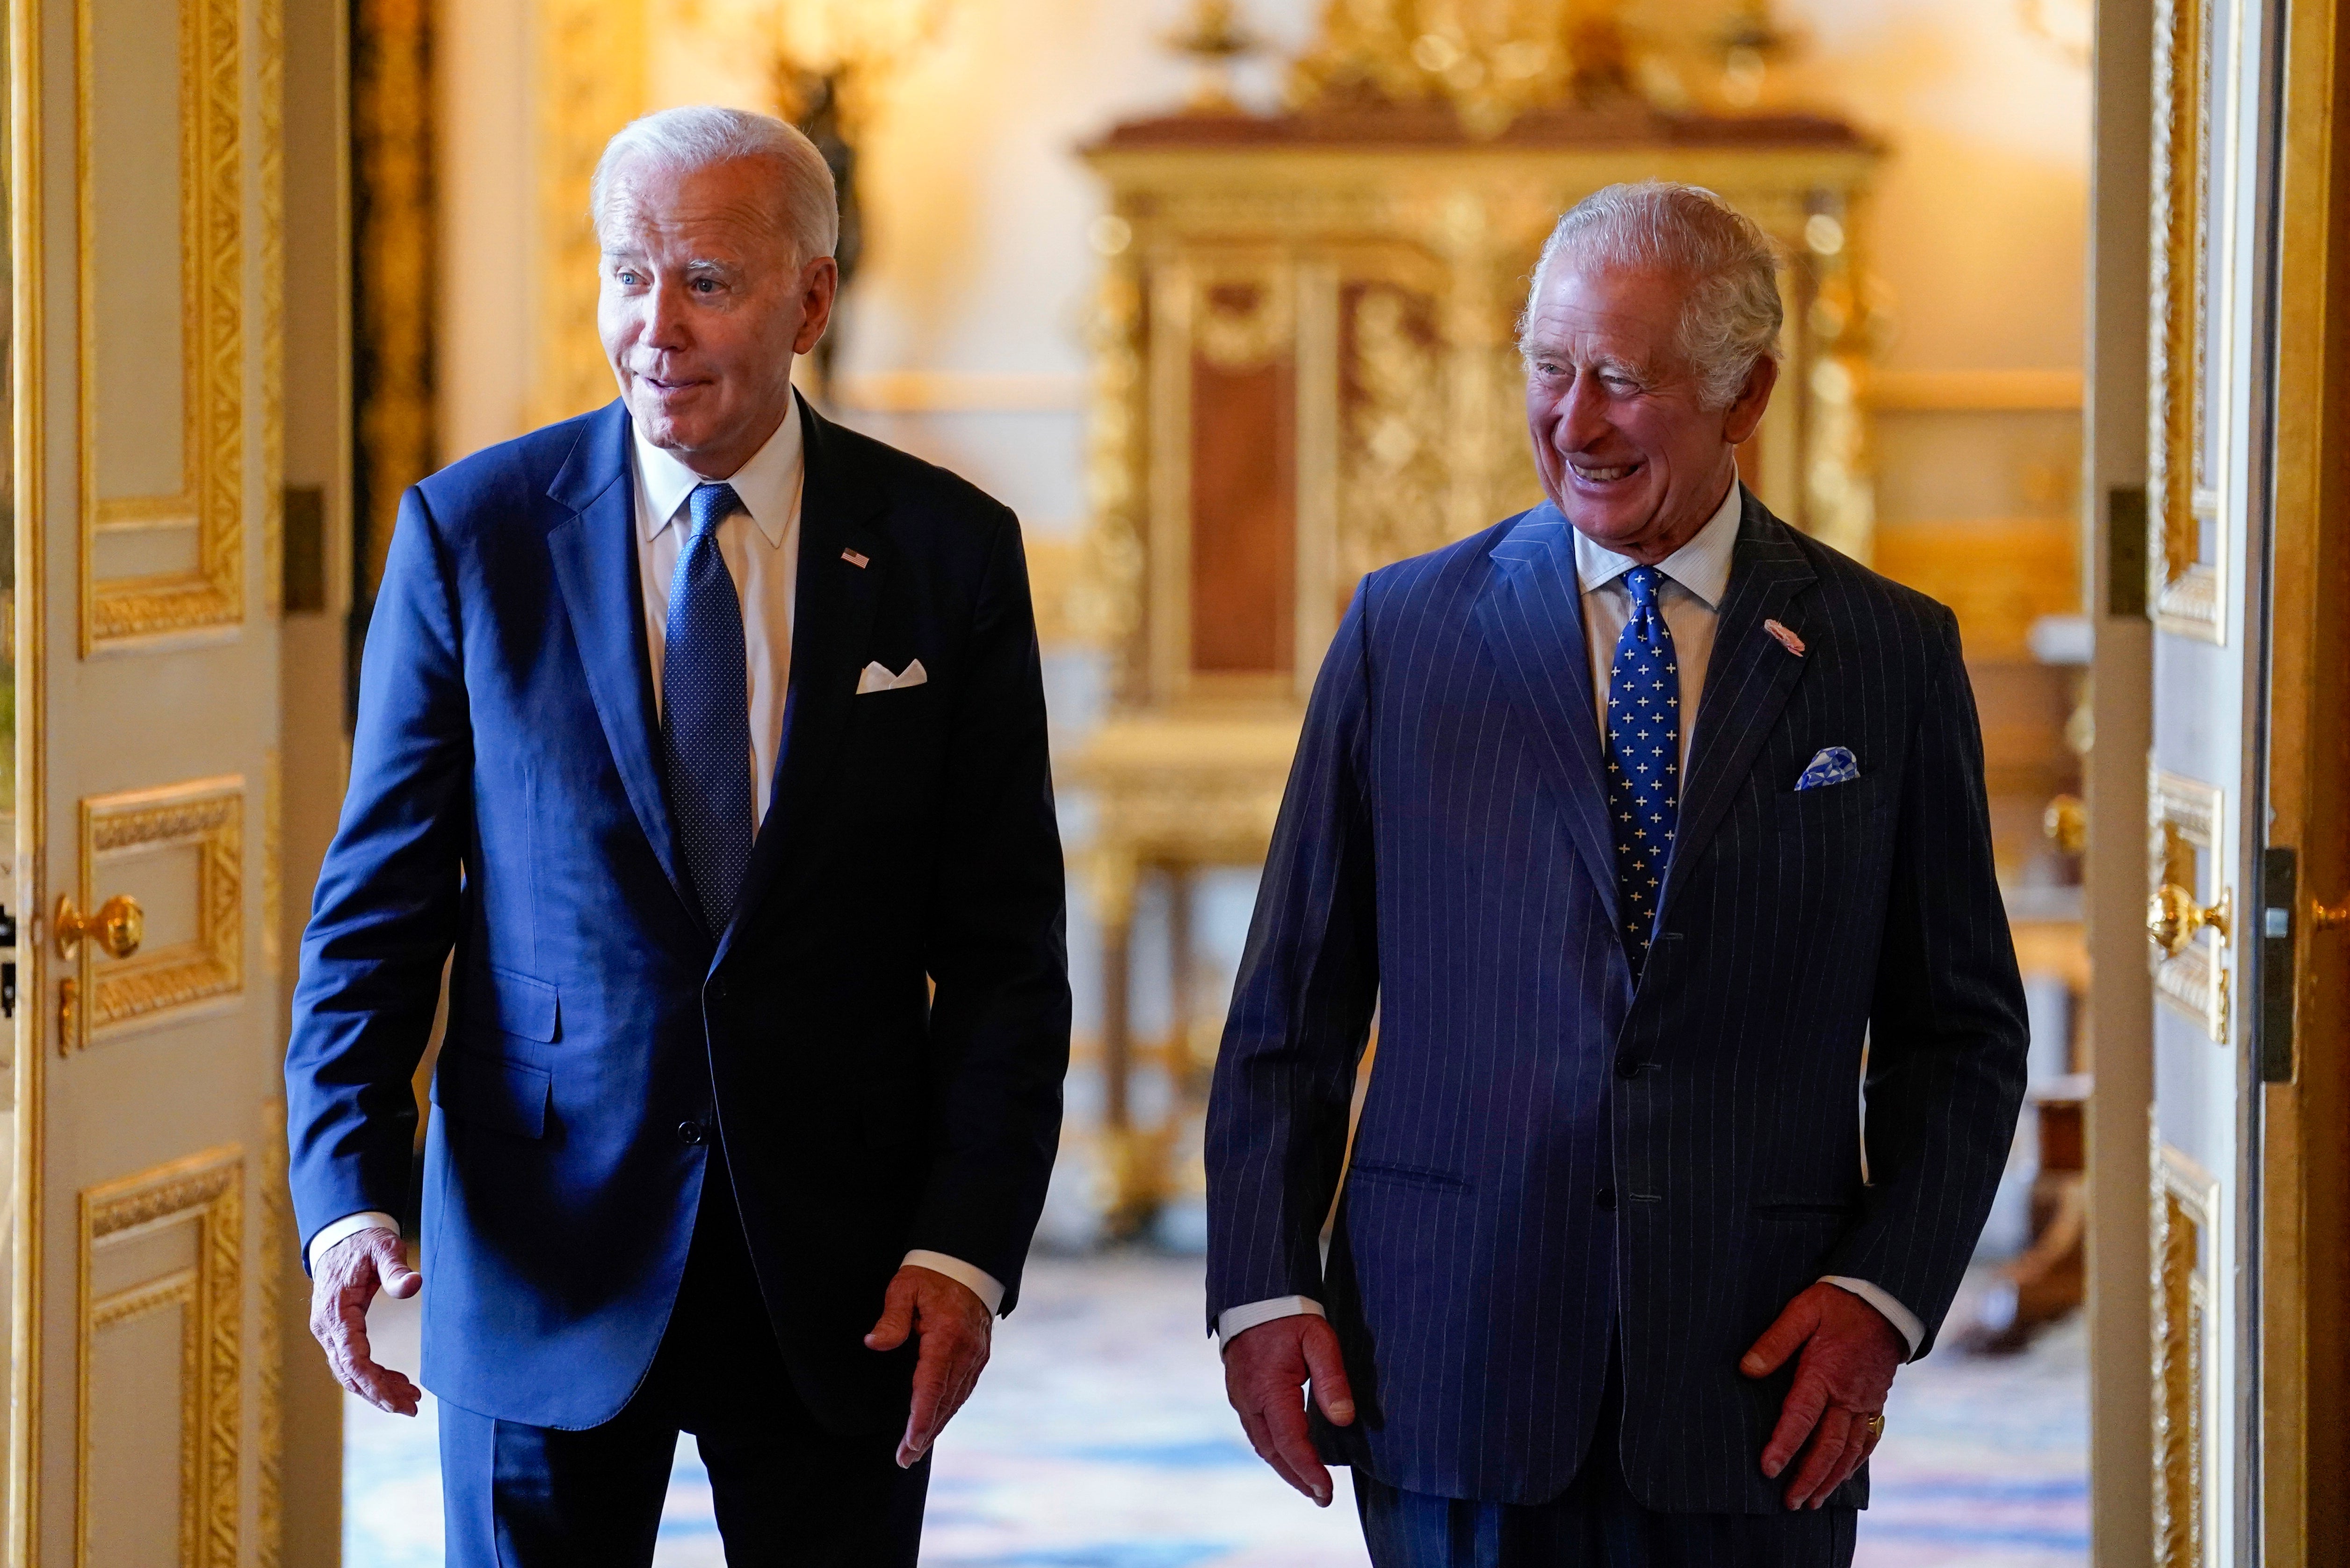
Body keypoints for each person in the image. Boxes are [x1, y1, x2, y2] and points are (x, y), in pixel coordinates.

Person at [285, 105, 1070, 1568]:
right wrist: (346, 1198)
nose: (655, 325)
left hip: (842, 1265)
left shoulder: (945, 553)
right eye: (626, 273)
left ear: (811, 299)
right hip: (540, 1255)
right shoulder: (472, 535)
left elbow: (1005, 952)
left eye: (706, 281)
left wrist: (962, 1240)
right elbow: (374, 912)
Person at [1204, 181, 2028, 1568]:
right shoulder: (1403, 630)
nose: (1571, 422)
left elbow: (1959, 1034)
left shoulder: (1889, 653)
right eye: (1547, 370)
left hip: (1758, 1376)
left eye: (1621, 382)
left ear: (1744, 393)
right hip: (1448, 1355)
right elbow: (1289, 1007)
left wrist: (1881, 1293)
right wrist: (1262, 1283)